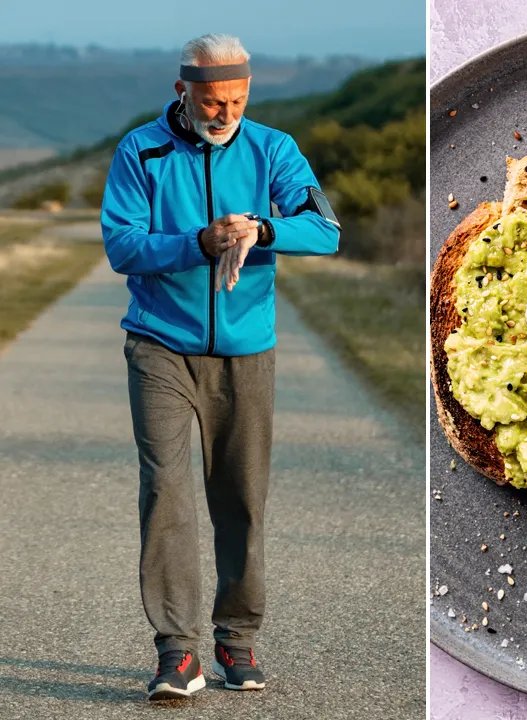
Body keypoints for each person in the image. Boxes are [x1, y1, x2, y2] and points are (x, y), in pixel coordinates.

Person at [101, 33, 340, 701]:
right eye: (211, 100)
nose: (223, 111)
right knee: (168, 497)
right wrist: (200, 242)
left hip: (246, 355)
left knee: (241, 501)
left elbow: (327, 229)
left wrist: (262, 229)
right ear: (183, 91)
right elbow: (122, 244)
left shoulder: (274, 151)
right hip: (159, 348)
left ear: (247, 91)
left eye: (234, 99)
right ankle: (177, 653)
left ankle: (236, 638)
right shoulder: (140, 151)